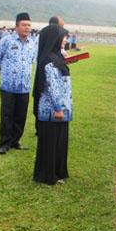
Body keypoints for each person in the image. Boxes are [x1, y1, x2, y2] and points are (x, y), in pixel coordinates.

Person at [32, 24, 72, 185]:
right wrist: (58, 108)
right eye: (64, 37)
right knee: (50, 144)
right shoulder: (48, 61)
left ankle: (57, 172)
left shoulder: (56, 57)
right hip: (52, 111)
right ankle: (47, 175)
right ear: (55, 39)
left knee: (59, 143)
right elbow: (53, 87)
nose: (66, 40)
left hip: (62, 109)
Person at [0, 12, 36, 154]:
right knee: (7, 115)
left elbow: (31, 61)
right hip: (8, 86)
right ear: (16, 26)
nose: (27, 28)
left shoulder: (32, 43)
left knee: (20, 116)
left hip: (24, 87)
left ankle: (15, 141)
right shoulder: (7, 41)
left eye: (29, 25)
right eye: (24, 25)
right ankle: (4, 144)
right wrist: (6, 72)